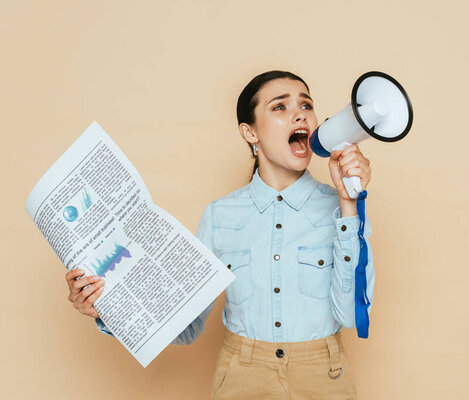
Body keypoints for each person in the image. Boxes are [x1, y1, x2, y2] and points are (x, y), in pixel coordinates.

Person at [65, 70, 375, 399]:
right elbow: (187, 328)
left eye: (306, 105)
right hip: (241, 378)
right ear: (250, 132)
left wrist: (347, 204)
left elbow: (350, 314)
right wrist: (108, 308)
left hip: (324, 378)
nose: (299, 113)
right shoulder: (219, 216)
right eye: (280, 107)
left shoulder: (343, 208)